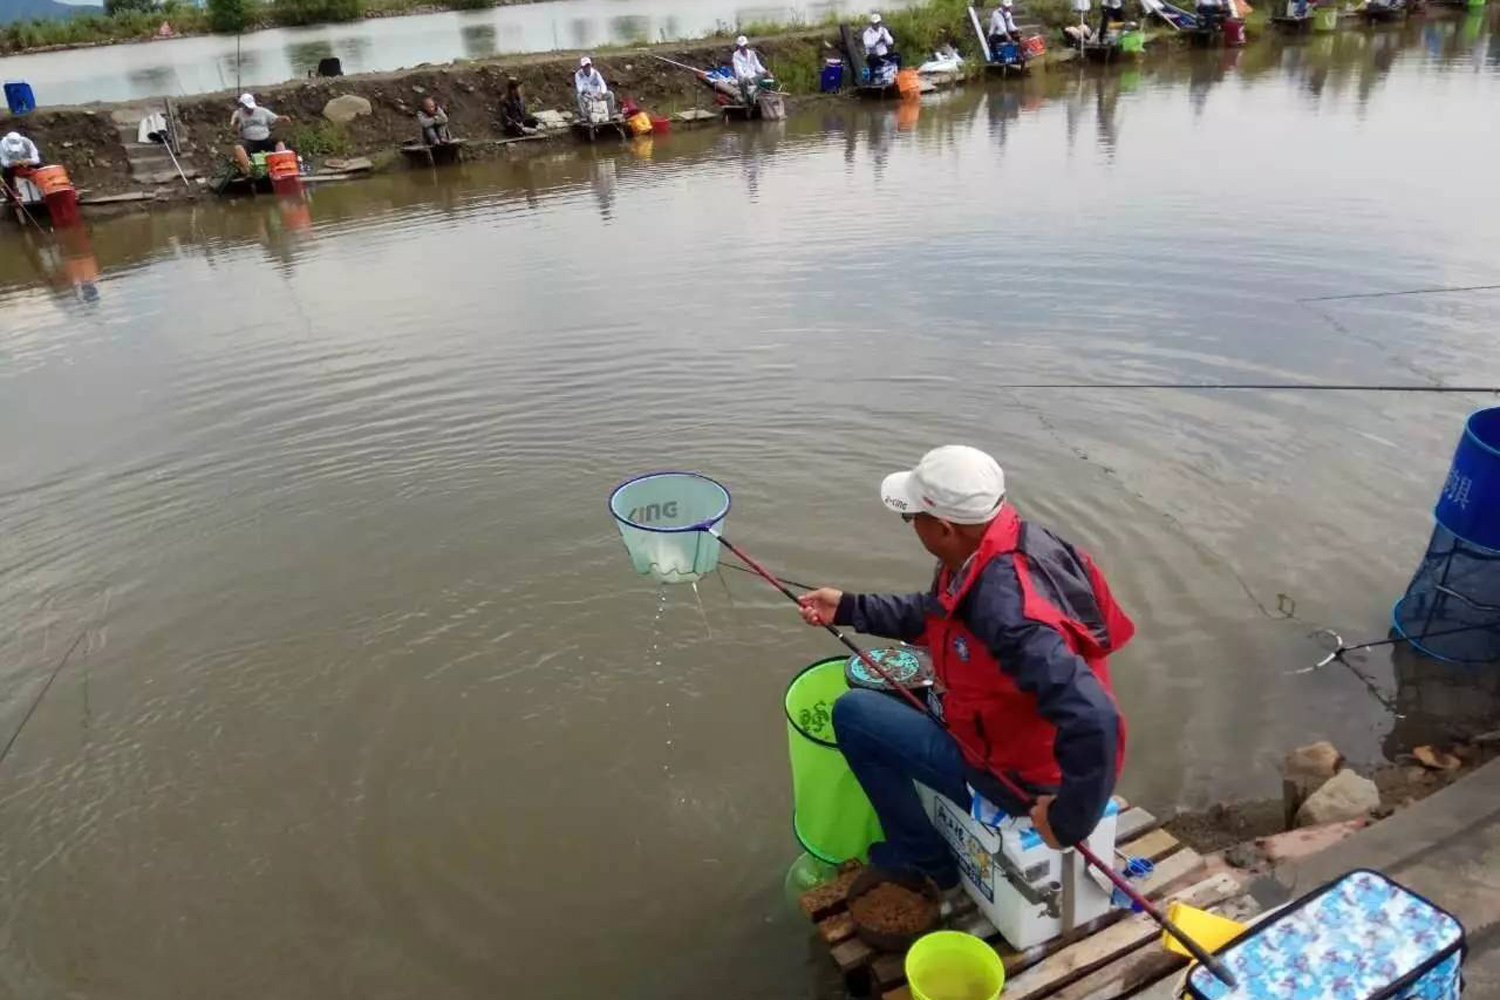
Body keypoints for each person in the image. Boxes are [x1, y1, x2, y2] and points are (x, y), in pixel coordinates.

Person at [795, 445, 1134, 887]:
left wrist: (1067, 820)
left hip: (1017, 779)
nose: (911, 525)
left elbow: (1096, 718)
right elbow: (936, 614)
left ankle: (922, 861)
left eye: (911, 517)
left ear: (944, 529)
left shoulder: (1010, 616)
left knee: (854, 714)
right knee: (902, 697)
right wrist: (849, 607)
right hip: (1013, 734)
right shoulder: (1005, 547)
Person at [230, 93, 289, 176]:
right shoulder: (238, 113)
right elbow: (232, 127)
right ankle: (248, 170)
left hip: (265, 139)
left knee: (279, 142)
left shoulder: (262, 111)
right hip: (249, 141)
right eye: (247, 107)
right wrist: (235, 123)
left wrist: (283, 118)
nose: (249, 109)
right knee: (238, 147)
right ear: (242, 106)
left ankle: (281, 166)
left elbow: (275, 118)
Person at [0, 131, 42, 203]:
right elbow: (4, 162)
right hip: (13, 164)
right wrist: (12, 163)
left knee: (41, 168)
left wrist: (29, 161)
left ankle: (42, 191)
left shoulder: (27, 143)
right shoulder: (2, 145)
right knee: (6, 175)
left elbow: (36, 159)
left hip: (28, 162)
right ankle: (11, 198)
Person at [731, 35, 770, 105]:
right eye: (741, 46)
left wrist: (765, 72)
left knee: (766, 77)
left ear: (747, 45)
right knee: (743, 80)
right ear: (738, 46)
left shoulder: (752, 53)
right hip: (744, 79)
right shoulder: (736, 55)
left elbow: (758, 66)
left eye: (745, 45)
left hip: (753, 77)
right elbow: (738, 71)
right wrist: (748, 78)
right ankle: (746, 100)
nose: (743, 48)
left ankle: (764, 95)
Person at [574, 56, 616, 121]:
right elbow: (579, 88)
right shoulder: (578, 74)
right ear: (582, 67)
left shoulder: (596, 73)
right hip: (587, 96)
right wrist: (587, 94)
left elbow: (603, 84)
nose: (587, 68)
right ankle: (585, 117)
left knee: (610, 94)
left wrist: (601, 93)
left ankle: (610, 115)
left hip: (598, 95)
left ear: (591, 65)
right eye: (585, 66)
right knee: (579, 96)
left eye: (588, 65)